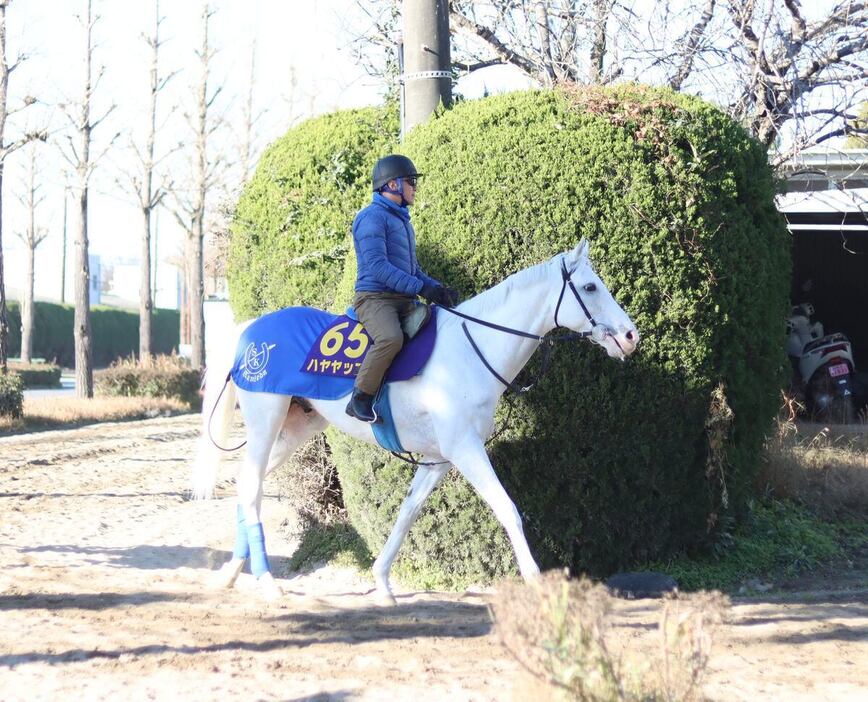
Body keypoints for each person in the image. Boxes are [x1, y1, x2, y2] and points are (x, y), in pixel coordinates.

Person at [345, 154, 459, 423]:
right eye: (410, 181)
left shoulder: (402, 221)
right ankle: (360, 397)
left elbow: (413, 270)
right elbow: (378, 268)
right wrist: (421, 288)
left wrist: (436, 289)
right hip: (375, 299)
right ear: (392, 185)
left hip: (402, 298)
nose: (415, 187)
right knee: (390, 339)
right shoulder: (370, 218)